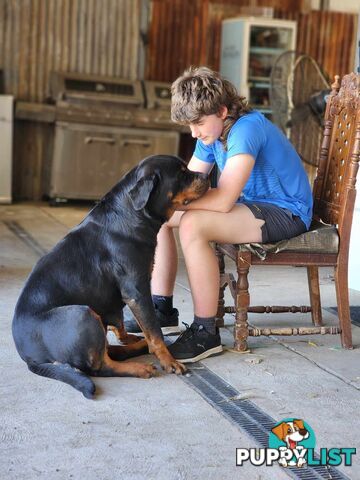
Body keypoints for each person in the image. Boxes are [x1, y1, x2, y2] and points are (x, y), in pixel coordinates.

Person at [126, 66, 313, 363]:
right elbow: (188, 185)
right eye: (189, 126)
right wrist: (162, 206)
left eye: (198, 123)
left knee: (192, 225)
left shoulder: (247, 128)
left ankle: (205, 331)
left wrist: (168, 202)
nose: (194, 132)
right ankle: (162, 309)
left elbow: (224, 199)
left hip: (287, 211)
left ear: (222, 110)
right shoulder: (212, 135)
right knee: (158, 217)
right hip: (252, 207)